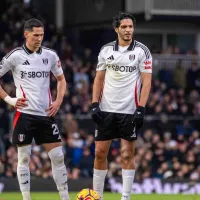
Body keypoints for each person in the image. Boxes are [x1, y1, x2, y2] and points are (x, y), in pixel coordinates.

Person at [0, 19, 70, 200]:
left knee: (58, 156)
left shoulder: (50, 55)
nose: (39, 38)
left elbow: (61, 80)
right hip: (24, 114)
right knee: (24, 158)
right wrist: (10, 99)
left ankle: (65, 197)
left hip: (46, 115)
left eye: (42, 35)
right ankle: (26, 198)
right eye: (36, 35)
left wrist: (58, 101)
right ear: (26, 34)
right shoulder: (14, 56)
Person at [91, 12, 152, 200]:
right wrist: (94, 104)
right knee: (100, 153)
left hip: (129, 111)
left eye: (130, 27)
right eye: (124, 27)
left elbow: (147, 81)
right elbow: (98, 79)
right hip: (106, 109)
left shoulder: (142, 51)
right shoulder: (106, 50)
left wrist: (141, 108)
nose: (128, 30)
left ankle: (125, 197)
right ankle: (97, 196)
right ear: (116, 29)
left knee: (127, 154)